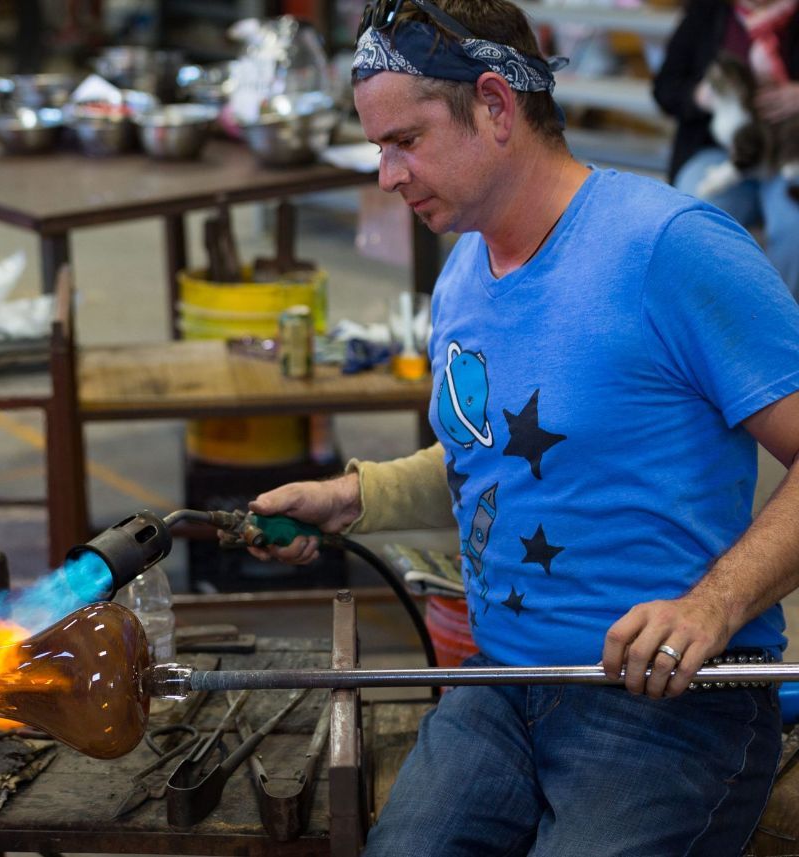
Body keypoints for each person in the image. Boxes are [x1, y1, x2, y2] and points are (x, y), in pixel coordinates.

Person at [247, 0, 799, 853]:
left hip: (670, 707)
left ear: (497, 106)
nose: (387, 174)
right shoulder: (465, 269)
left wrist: (710, 608)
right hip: (502, 687)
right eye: (378, 148)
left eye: (405, 141)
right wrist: (352, 497)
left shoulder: (669, 248)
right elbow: (498, 451)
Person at [653, 0, 799, 298]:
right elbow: (665, 88)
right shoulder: (707, 11)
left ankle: (784, 327)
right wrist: (701, 96)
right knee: (695, 212)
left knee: (794, 224)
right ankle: (712, 322)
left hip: (789, 151)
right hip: (718, 149)